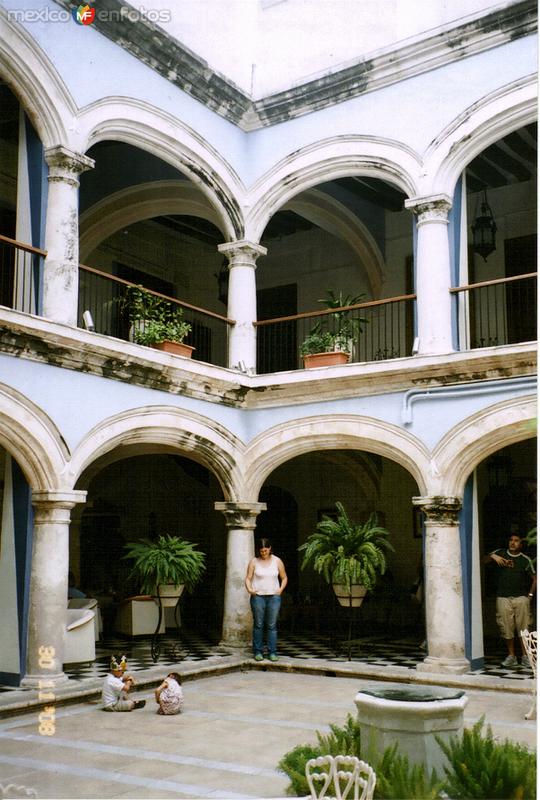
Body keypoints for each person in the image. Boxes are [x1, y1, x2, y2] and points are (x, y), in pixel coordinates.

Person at [485, 533, 536, 667]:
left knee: (523, 628)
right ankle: (511, 656)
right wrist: (492, 556)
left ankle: (525, 656)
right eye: (511, 540)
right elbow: (481, 560)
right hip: (503, 597)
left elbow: (535, 579)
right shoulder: (500, 553)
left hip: (521, 598)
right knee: (506, 628)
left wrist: (530, 596)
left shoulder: (525, 559)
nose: (513, 543)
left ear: (521, 544)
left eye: (516, 541)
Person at [245, 538, 288, 662]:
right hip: (258, 597)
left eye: (265, 550)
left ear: (269, 548)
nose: (264, 553)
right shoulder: (254, 562)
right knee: (258, 624)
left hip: (274, 597)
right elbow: (248, 578)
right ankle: (258, 652)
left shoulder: (277, 561)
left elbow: (284, 577)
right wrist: (249, 589)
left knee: (272, 625)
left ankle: (272, 652)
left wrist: (280, 590)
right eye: (261, 551)